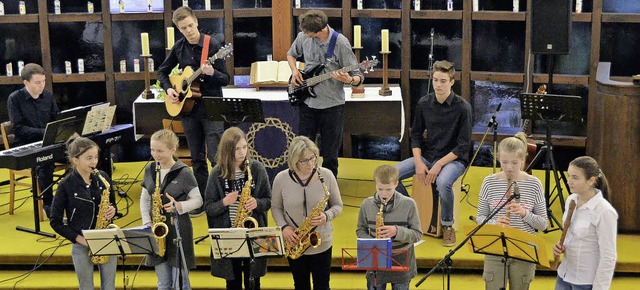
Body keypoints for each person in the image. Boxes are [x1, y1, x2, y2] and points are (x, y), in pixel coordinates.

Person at [157, 6, 229, 215]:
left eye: (190, 25)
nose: (188, 30)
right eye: (183, 28)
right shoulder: (179, 47)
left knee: (215, 156)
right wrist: (169, 88)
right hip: (188, 110)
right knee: (196, 157)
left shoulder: (213, 45)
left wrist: (212, 71)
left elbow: (226, 78)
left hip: (212, 108)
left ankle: (219, 200)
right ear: (179, 29)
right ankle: (203, 200)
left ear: (196, 21)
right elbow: (162, 71)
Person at [394, 60, 472, 247]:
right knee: (391, 175)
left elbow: (463, 146)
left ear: (452, 82)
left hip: (454, 159)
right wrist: (419, 163)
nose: (438, 84)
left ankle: (447, 226)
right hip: (428, 155)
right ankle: (411, 210)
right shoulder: (424, 103)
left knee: (444, 183)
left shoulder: (463, 108)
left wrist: (438, 165)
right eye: (436, 80)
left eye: (443, 81)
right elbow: (416, 136)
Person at [287, 9, 364, 178]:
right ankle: (301, 185)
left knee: (330, 154)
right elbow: (291, 54)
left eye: (308, 33)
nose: (304, 35)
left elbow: (358, 76)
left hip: (332, 107)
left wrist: (348, 80)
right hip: (307, 103)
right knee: (301, 150)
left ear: (320, 30)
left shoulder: (340, 43)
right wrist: (294, 71)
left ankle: (329, 191)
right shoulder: (303, 37)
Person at [475, 133, 548, 290]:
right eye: (504, 162)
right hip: (495, 249)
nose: (509, 167)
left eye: (515, 163)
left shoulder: (534, 184)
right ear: (498, 159)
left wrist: (524, 213)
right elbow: (480, 217)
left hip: (524, 250)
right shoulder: (489, 182)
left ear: (523, 160)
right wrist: (494, 223)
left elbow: (543, 224)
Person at [271, 136, 343, 290]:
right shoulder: (281, 179)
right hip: (294, 241)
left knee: (322, 285)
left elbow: (338, 205)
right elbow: (276, 207)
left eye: (313, 157)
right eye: (304, 160)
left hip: (321, 241)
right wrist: (284, 227)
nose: (310, 163)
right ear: (294, 160)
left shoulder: (327, 175)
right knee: (300, 285)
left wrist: (326, 215)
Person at [204, 127, 272, 290]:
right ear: (227, 150)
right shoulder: (217, 173)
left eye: (244, 147)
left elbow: (268, 201)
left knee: (253, 280)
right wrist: (224, 202)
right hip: (230, 234)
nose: (242, 152)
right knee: (232, 282)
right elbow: (209, 207)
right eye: (237, 149)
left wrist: (257, 203)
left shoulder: (256, 169)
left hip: (254, 232)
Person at [49, 135, 117, 290]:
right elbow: (55, 221)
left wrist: (112, 211)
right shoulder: (66, 185)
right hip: (81, 242)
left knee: (109, 287)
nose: (94, 162)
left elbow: (113, 205)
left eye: (96, 157)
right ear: (75, 160)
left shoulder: (103, 178)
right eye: (89, 158)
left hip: (105, 238)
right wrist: (79, 239)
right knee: (86, 287)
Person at [140, 129, 203, 290]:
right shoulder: (150, 170)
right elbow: (145, 198)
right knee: (163, 282)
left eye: (160, 150)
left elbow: (198, 200)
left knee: (180, 281)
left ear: (173, 149)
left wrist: (180, 206)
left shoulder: (184, 172)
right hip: (157, 230)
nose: (155, 154)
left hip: (178, 229)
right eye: (152, 150)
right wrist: (147, 223)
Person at [554, 156, 617, 290]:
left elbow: (609, 256)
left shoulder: (604, 211)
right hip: (564, 274)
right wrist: (561, 246)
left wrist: (599, 288)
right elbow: (572, 236)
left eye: (575, 178)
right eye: (569, 176)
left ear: (591, 180)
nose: (569, 181)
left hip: (585, 281)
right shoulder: (571, 200)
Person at [356, 165, 422, 290]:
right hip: (376, 262)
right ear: (375, 183)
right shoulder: (367, 204)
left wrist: (397, 231)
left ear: (396, 184)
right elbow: (360, 229)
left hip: (401, 262)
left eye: (388, 189)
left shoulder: (409, 204)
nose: (384, 194)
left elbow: (417, 234)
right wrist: (372, 241)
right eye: (380, 189)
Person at [7, 63, 59, 217]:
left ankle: (78, 198)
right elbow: (18, 129)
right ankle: (48, 203)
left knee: (81, 151)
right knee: (47, 161)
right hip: (27, 144)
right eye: (37, 82)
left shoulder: (48, 96)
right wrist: (45, 132)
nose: (41, 85)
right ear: (26, 83)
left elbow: (56, 117)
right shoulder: (15, 99)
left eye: (43, 81)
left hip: (48, 140)